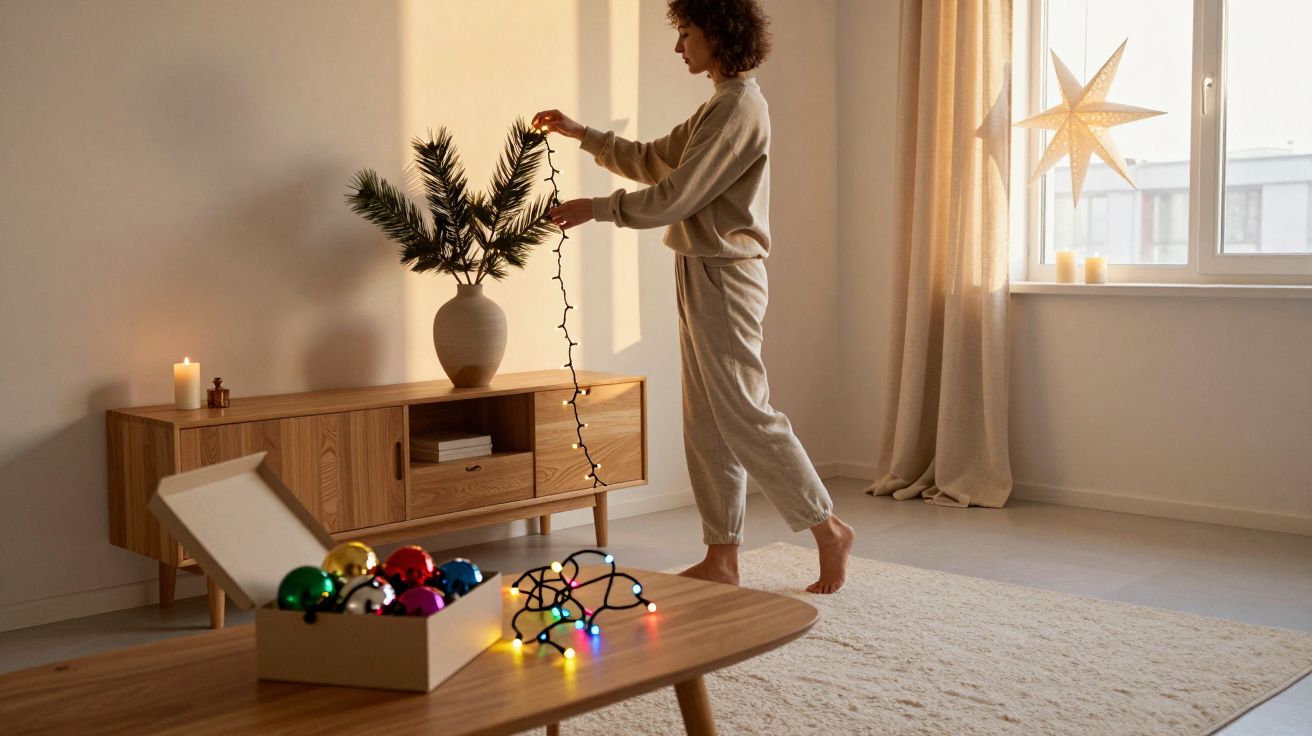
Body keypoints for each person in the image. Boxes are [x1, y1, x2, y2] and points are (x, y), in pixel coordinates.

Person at [531, 0, 853, 594]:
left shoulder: (739, 108)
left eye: (686, 33)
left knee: (745, 412)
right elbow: (654, 161)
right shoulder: (719, 104)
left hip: (725, 274)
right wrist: (582, 134)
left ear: (718, 35)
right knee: (705, 418)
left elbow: (676, 195)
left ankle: (827, 528)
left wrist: (596, 209)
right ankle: (722, 555)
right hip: (700, 267)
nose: (679, 46)